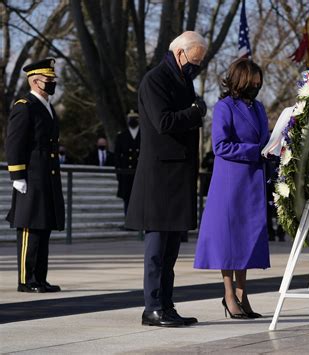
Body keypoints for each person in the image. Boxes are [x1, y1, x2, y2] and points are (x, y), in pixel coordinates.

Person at [125, 31, 208, 327]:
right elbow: (163, 122)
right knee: (157, 250)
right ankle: (153, 307)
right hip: (160, 178)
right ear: (179, 53)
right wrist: (195, 112)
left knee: (171, 251)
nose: (196, 68)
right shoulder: (155, 80)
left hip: (177, 175)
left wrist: (193, 110)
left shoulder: (182, 79)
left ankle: (167, 304)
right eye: (194, 62)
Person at [194, 58, 270, 319]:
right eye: (253, 83)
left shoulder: (259, 108)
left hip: (252, 181)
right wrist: (256, 151)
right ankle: (229, 295)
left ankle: (242, 294)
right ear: (241, 81)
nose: (257, 87)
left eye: (260, 84)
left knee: (247, 240)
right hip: (229, 182)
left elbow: (266, 139)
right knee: (229, 240)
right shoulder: (225, 107)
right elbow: (220, 146)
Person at [5, 58, 64, 293]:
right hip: (31, 176)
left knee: (44, 227)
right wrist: (17, 175)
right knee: (30, 228)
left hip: (46, 176)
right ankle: (26, 280)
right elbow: (14, 142)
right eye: (49, 80)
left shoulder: (46, 106)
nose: (52, 84)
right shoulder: (24, 105)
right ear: (36, 81)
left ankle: (40, 278)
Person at [114, 110, 140, 215]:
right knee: (127, 197)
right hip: (126, 172)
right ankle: (128, 219)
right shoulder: (122, 136)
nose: (132, 120)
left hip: (139, 171)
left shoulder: (144, 135)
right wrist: (119, 172)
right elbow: (117, 156)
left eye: (134, 118)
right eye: (130, 118)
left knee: (140, 197)